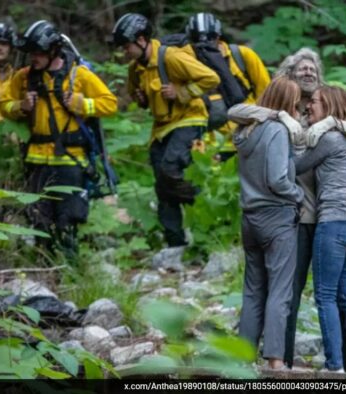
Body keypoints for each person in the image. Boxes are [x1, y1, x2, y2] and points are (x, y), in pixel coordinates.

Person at [228, 48, 346, 369]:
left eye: (313, 68)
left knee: (335, 293)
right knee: (289, 292)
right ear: (290, 77)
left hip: (327, 216)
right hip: (294, 215)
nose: (308, 72)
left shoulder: (327, 110)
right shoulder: (282, 113)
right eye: (301, 69)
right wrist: (279, 115)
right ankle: (285, 360)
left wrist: (332, 123)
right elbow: (237, 111)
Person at [0, 20, 118, 257]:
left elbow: (110, 103)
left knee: (68, 218)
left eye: (39, 52)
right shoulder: (24, 77)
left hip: (70, 160)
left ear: (53, 50)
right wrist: (20, 106)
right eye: (31, 53)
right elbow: (3, 104)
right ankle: (45, 266)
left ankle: (70, 267)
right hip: (36, 160)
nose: (34, 57)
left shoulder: (79, 74)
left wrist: (82, 104)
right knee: (39, 218)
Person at [111, 13, 220, 249]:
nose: (124, 52)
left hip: (189, 119)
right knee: (162, 185)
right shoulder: (135, 69)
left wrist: (181, 92)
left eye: (127, 46)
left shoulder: (171, 57)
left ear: (141, 40)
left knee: (170, 168)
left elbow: (210, 78)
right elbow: (136, 95)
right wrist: (140, 99)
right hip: (160, 128)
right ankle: (175, 243)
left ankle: (202, 203)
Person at [294, 86, 346, 375]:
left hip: (335, 222)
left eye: (313, 102)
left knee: (326, 296)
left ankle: (334, 367)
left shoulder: (328, 138)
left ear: (328, 105)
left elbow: (297, 167)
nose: (308, 107)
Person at [234, 76, 304, 370]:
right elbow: (277, 179)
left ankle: (242, 358)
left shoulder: (245, 131)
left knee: (253, 290)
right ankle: (275, 361)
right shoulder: (276, 130)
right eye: (297, 103)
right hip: (277, 217)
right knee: (280, 290)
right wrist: (297, 193)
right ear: (289, 103)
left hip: (249, 218)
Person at [185, 12, 270, 160]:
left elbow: (268, 95)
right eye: (196, 40)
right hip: (207, 146)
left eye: (211, 38)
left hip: (247, 138)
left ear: (218, 36)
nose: (204, 45)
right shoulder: (184, 64)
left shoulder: (242, 56)